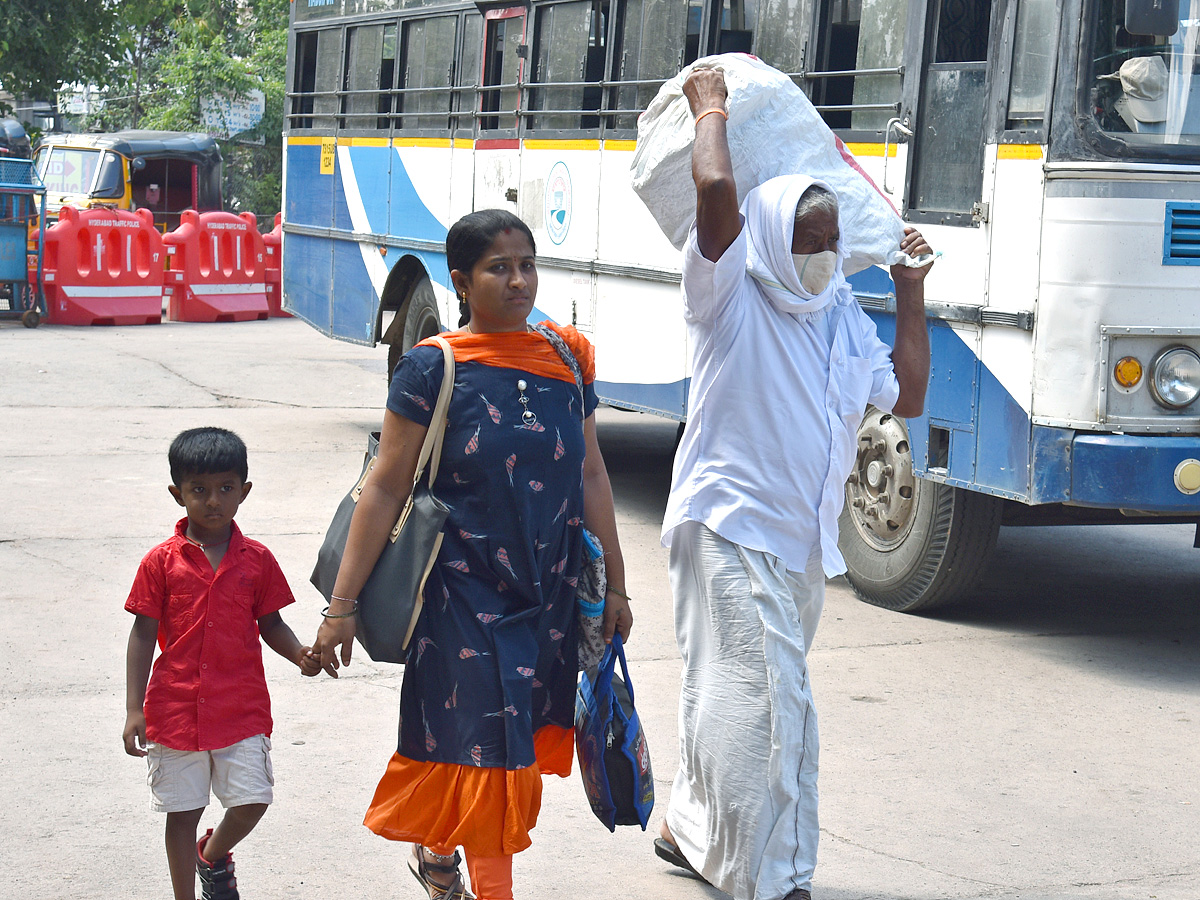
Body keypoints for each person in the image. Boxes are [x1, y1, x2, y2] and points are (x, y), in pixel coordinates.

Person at [653, 69, 934, 900]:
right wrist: (712, 113)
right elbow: (714, 190)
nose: (820, 253)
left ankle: (688, 827)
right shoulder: (728, 295)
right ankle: (773, 879)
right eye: (807, 239)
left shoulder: (840, 309)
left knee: (726, 693)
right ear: (771, 236)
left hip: (799, 544)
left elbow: (906, 397)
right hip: (730, 525)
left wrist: (909, 292)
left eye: (830, 239)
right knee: (775, 711)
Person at [312, 208, 633, 900]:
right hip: (460, 594)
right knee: (493, 758)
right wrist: (341, 605)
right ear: (461, 280)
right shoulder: (434, 366)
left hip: (544, 596)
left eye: (527, 265)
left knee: (498, 745)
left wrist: (617, 589)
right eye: (499, 268)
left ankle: (437, 853)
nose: (519, 281)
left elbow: (593, 475)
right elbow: (386, 486)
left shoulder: (568, 358)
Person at [123, 426, 322, 900]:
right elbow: (142, 635)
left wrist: (299, 654)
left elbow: (271, 623)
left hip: (240, 708)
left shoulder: (257, 560)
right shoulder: (160, 563)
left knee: (253, 800)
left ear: (243, 492)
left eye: (225, 488)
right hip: (175, 710)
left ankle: (210, 855)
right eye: (199, 490)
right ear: (178, 494)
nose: (213, 500)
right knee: (182, 810)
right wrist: (134, 709)